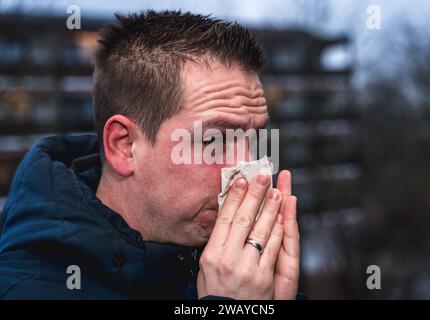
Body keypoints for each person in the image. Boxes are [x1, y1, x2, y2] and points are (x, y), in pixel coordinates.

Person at [0, 10, 300, 299]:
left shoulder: (244, 277)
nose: (251, 175)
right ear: (124, 145)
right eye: (215, 141)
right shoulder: (22, 289)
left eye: (256, 139)